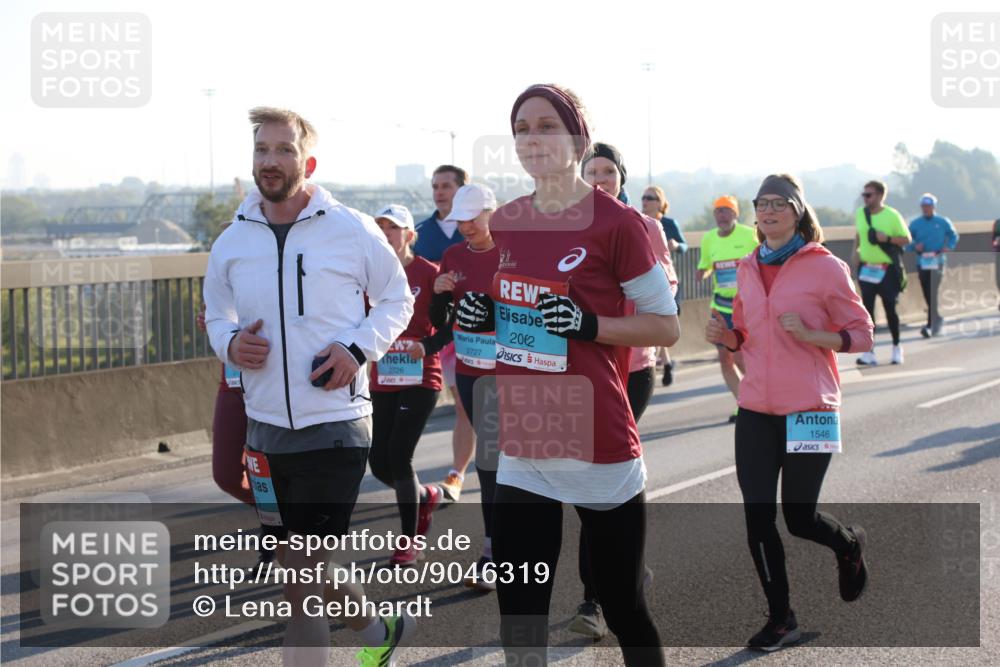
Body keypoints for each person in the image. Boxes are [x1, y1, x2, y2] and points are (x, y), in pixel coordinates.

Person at [456, 84, 679, 666]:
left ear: (577, 137)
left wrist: (589, 323)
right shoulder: (506, 221)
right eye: (522, 128)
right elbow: (516, 313)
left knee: (625, 606)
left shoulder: (619, 224)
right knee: (520, 621)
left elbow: (665, 327)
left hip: (598, 441)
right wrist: (485, 315)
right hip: (524, 442)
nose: (532, 138)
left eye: (546, 126)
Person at [203, 107, 415, 667]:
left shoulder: (351, 229)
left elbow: (399, 299)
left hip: (336, 429)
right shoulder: (232, 240)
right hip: (265, 432)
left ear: (308, 161)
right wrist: (228, 343)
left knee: (298, 582)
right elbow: (215, 313)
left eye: (284, 149)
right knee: (307, 567)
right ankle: (377, 628)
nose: (270, 161)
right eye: (261, 150)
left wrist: (356, 349)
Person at [705, 174, 872, 652]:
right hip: (756, 406)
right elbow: (745, 332)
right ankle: (782, 619)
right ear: (754, 213)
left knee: (799, 517)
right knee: (758, 517)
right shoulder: (746, 266)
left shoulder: (826, 267)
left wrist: (816, 336)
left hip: (810, 407)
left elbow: (862, 334)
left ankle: (847, 545)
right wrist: (728, 337)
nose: (770, 211)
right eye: (763, 203)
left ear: (798, 211)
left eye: (781, 203)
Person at [572, 142, 677, 639]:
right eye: (591, 171)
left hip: (631, 366)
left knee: (603, 478)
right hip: (586, 366)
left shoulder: (641, 226)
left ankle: (595, 598)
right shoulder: (568, 227)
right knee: (583, 478)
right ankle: (620, 575)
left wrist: (612, 316)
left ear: (621, 178)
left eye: (608, 171)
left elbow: (665, 295)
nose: (599, 179)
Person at [368, 204, 449, 567]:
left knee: (400, 455)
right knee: (379, 463)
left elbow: (449, 326)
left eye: (394, 227)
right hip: (384, 375)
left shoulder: (429, 273)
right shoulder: (368, 275)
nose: (386, 232)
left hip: (421, 375)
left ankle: (408, 540)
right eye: (381, 226)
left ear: (410, 235)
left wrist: (426, 346)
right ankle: (425, 495)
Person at [431, 182, 501, 591]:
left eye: (473, 218)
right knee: (491, 462)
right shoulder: (453, 256)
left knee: (507, 461)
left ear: (491, 212)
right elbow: (440, 319)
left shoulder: (513, 253)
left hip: (512, 371)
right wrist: (440, 296)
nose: (466, 227)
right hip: (473, 372)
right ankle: (494, 550)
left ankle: (502, 548)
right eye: (460, 220)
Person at [413, 165, 477, 503]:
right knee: (465, 406)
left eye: (446, 186)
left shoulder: (478, 229)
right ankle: (458, 473)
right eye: (435, 186)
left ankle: (462, 471)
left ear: (462, 190)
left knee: (478, 406)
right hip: (439, 334)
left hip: (481, 331)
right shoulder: (421, 232)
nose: (439, 192)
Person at [697, 195, 757, 421]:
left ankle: (756, 399)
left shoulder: (749, 235)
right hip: (720, 306)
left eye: (726, 211)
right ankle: (742, 404)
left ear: (735, 214)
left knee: (741, 357)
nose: (722, 215)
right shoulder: (709, 239)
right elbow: (705, 264)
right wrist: (703, 272)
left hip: (746, 306)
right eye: (718, 211)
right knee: (725, 358)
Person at [851, 180, 911, 365]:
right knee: (867, 312)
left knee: (890, 309)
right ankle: (870, 352)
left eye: (869, 195)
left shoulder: (892, 215)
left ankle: (896, 347)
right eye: (864, 195)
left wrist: (888, 238)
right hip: (867, 268)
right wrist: (855, 257)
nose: (865, 198)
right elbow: (859, 236)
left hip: (887, 270)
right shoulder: (861, 213)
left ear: (880, 196)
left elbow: (906, 239)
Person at [641, 185, 687, 386]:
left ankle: (651, 363)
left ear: (660, 202)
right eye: (644, 197)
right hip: (645, 282)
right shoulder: (638, 220)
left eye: (650, 198)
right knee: (655, 325)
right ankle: (666, 363)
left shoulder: (668, 223)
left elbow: (684, 246)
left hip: (668, 282)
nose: (645, 201)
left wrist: (677, 246)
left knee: (662, 325)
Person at [906, 193, 958, 337]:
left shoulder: (943, 221)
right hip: (922, 262)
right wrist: (915, 246)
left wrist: (949, 246)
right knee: (927, 292)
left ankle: (930, 325)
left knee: (932, 291)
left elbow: (953, 235)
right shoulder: (915, 224)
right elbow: (906, 242)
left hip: (938, 261)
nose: (926, 209)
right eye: (923, 206)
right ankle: (937, 318)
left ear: (934, 207)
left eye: (928, 206)